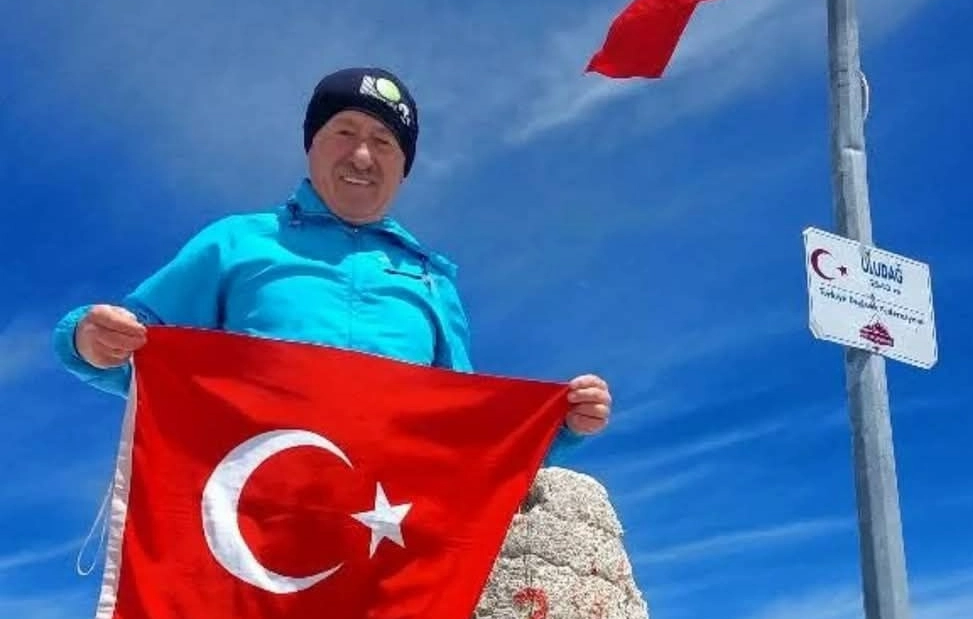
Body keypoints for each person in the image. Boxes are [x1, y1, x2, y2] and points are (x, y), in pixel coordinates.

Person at [51, 66, 612, 461]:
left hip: (385, 530)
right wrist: (87, 339)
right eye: (344, 132)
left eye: (384, 141)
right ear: (312, 145)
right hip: (242, 519)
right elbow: (140, 350)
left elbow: (465, 427)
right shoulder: (236, 242)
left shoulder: (432, 281)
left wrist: (558, 425)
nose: (362, 155)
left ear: (403, 167)